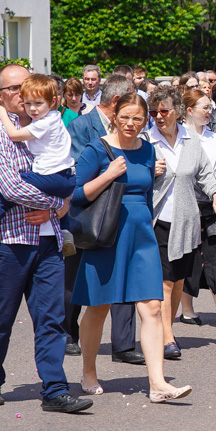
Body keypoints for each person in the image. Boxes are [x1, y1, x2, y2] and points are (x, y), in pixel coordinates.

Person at [0, 64, 91, 412]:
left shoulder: (46, 126)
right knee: (0, 317)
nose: (22, 95)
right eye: (13, 89)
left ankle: (54, 389)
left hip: (49, 241)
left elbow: (68, 177)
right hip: (12, 241)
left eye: (26, 86)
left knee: (51, 318)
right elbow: (11, 187)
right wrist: (55, 202)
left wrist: (57, 208)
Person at [71, 93, 192, 402]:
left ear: (145, 121)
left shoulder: (148, 151)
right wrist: (109, 175)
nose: (131, 124)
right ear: (114, 115)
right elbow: (76, 196)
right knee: (98, 307)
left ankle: (157, 383)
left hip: (141, 235)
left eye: (138, 118)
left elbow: (148, 194)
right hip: (107, 235)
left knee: (152, 306)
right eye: (125, 116)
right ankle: (88, 371)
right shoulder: (96, 149)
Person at [59, 75, 143, 363]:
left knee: (124, 281)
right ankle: (68, 333)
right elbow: (74, 170)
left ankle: (123, 345)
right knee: (75, 280)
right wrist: (110, 170)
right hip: (88, 213)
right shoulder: (81, 126)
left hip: (123, 215)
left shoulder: (134, 133)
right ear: (118, 102)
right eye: (131, 99)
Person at [0, 75, 76, 265]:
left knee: (3, 194)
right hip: (64, 178)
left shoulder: (44, 122)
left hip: (53, 177)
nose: (33, 109)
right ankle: (65, 229)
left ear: (53, 101)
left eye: (38, 103)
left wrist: (1, 112)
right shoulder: (52, 117)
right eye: (28, 103)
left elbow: (14, 135)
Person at [146, 86, 216, 357]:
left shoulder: (191, 140)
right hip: (157, 221)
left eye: (164, 110)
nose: (158, 116)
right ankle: (168, 338)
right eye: (154, 111)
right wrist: (148, 171)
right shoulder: (146, 142)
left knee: (179, 280)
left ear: (178, 112)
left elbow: (205, 173)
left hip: (187, 220)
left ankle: (164, 331)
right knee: (165, 282)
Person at [178, 89, 216, 329]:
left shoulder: (215, 138)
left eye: (210, 107)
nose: (209, 111)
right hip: (187, 205)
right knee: (189, 256)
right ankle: (187, 309)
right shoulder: (180, 137)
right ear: (190, 110)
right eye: (205, 107)